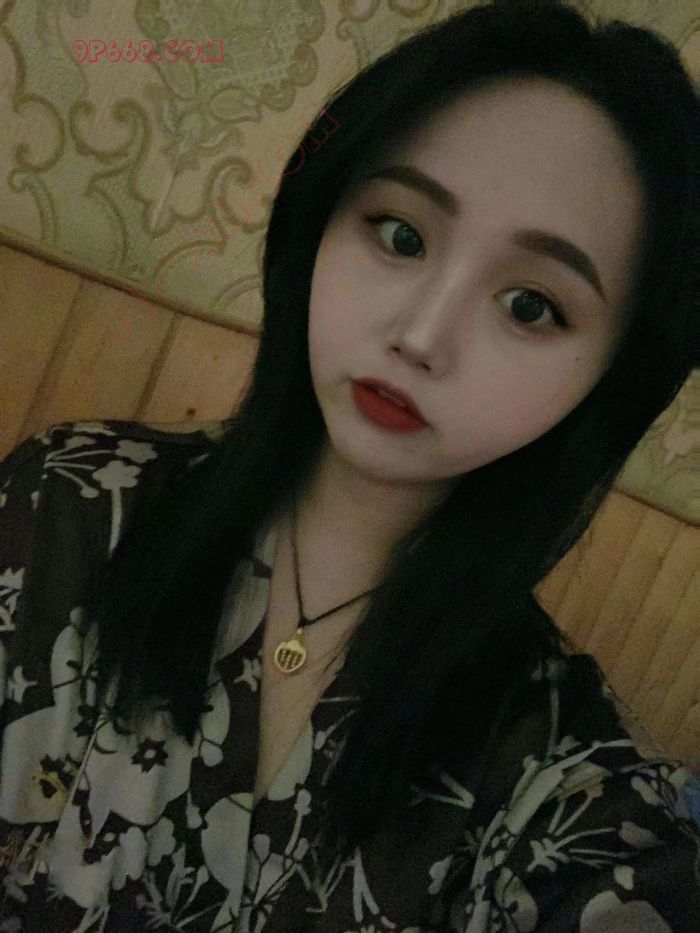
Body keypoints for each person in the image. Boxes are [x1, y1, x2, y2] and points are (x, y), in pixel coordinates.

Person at [0, 0, 698, 928]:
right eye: (401, 235)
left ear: (611, 377)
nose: (420, 337)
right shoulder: (65, 503)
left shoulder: (562, 779)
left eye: (531, 305)